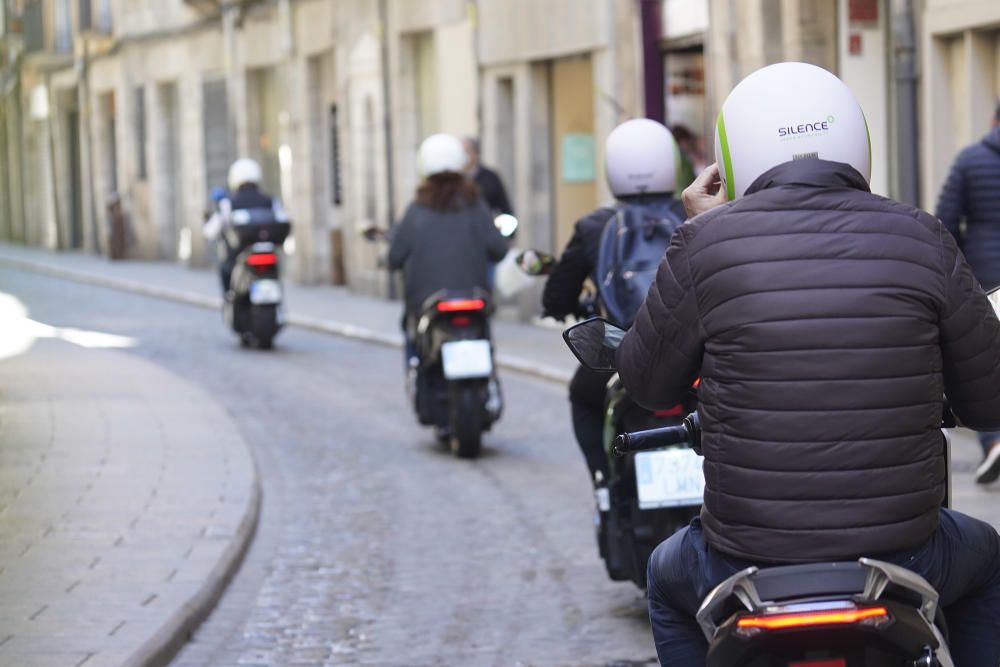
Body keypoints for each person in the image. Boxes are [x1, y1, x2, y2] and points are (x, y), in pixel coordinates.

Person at [614, 62, 1000, 666]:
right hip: (907, 556)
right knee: (987, 559)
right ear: (857, 142)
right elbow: (988, 403)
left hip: (743, 559)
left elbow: (645, 382)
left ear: (731, 159)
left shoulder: (704, 244)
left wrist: (701, 229)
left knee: (664, 578)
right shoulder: (921, 236)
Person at [542, 118, 687, 483]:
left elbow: (558, 293)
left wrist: (560, 307)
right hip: (689, 354)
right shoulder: (694, 214)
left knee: (583, 398)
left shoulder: (595, 225)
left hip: (625, 351)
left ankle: (603, 481)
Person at [389, 133, 508, 354]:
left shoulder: (416, 210)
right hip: (473, 296)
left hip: (427, 301)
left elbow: (395, 257)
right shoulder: (476, 206)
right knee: (483, 334)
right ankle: (488, 373)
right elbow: (498, 250)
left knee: (413, 340)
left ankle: (416, 371)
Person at [935, 101, 1000, 486]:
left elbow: (945, 219)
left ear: (993, 121)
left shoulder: (970, 159)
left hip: (986, 275)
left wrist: (959, 272)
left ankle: (993, 440)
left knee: (987, 360)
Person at [203, 158, 283, 292]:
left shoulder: (229, 203)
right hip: (267, 252)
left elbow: (211, 230)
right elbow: (281, 220)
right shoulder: (270, 201)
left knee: (225, 270)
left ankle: (229, 298)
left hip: (239, 255)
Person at [462, 136, 514, 218]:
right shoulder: (453, 179)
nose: (463, 156)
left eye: (467, 151)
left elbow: (505, 208)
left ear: (476, 154)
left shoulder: (491, 178)